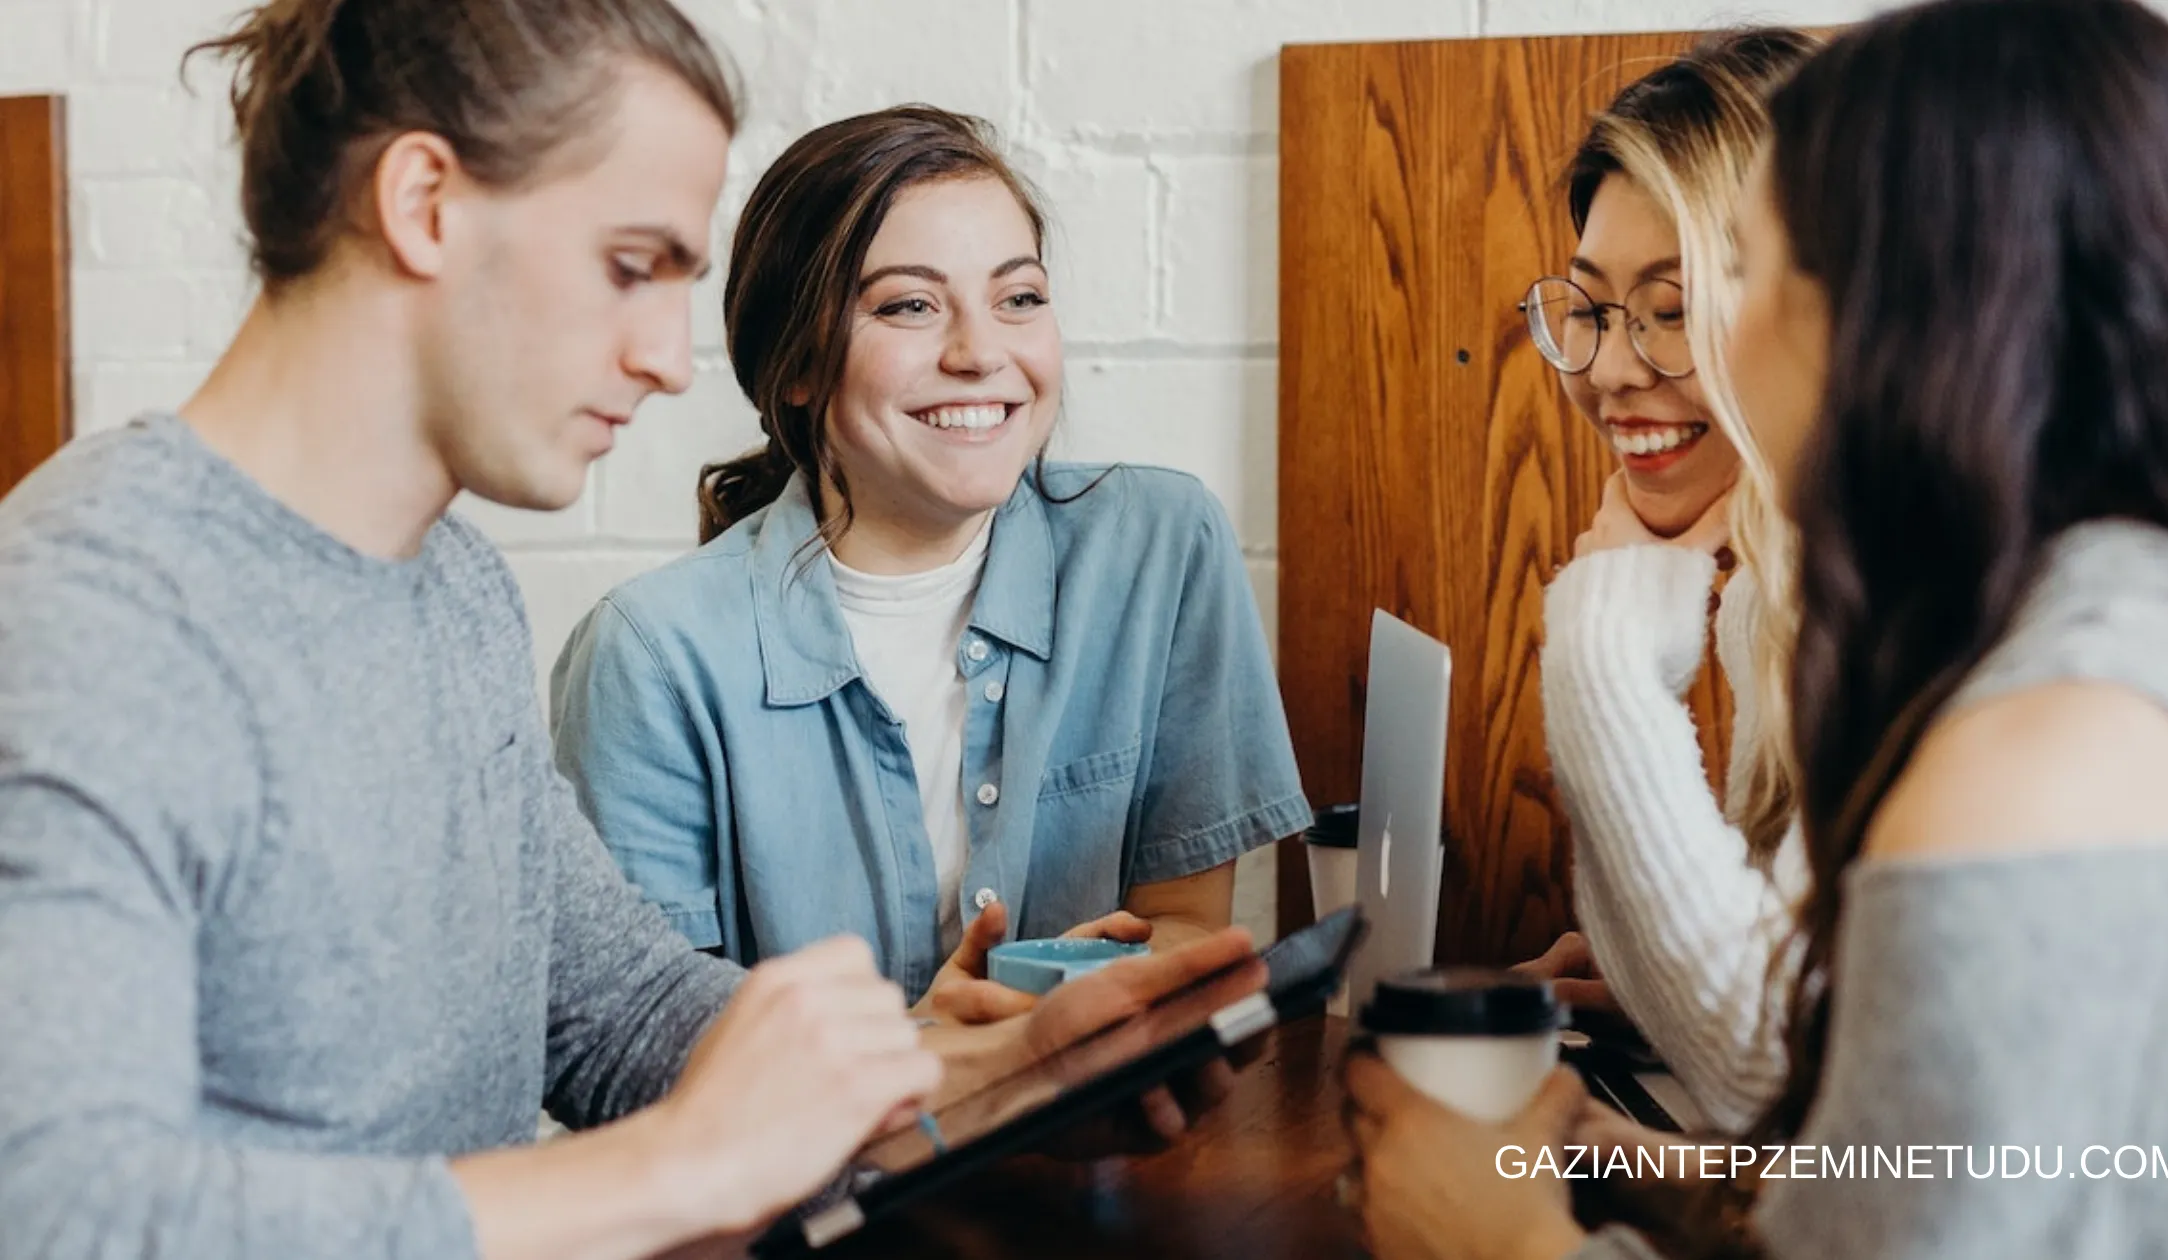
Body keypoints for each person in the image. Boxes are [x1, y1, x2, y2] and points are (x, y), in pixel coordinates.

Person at [0, 5, 1262, 1258]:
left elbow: (620, 1014)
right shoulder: (90, 616)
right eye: (628, 266)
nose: (670, 361)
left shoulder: (448, 588)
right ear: (425, 203)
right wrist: (674, 1169)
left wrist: (988, 1085)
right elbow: (58, 1210)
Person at [1347, 0, 2168, 1255]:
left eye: (1747, 270)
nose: (1640, 358)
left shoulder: (2040, 746)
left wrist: (1496, 1242)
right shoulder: (2113, 629)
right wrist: (1693, 1183)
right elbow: (1969, 1175)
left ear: (1906, 312)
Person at [550, 104, 1310, 1022]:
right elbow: (648, 1050)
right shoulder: (650, 657)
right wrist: (934, 1054)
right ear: (794, 365)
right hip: (815, 1165)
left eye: (1018, 298)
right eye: (909, 305)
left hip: (1098, 1145)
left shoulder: (1160, 548)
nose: (981, 353)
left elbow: (1185, 929)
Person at [1521, 28, 1816, 1132]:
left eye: (1671, 306)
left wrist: (1600, 649)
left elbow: (1768, 1076)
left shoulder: (1904, 602)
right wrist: (1649, 979)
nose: (1605, 369)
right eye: (1592, 308)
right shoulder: (1771, 593)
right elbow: (1794, 1035)